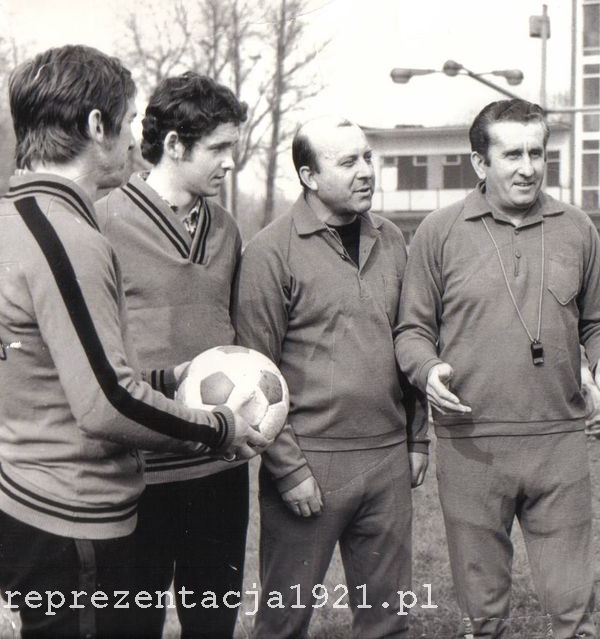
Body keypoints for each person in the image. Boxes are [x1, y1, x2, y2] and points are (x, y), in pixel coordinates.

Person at [0, 45, 265, 638]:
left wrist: (174, 377)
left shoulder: (9, 218)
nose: (129, 137)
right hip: (70, 516)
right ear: (96, 125)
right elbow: (105, 401)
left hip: (30, 501)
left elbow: (63, 368)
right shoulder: (72, 233)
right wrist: (217, 427)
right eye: (124, 120)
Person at [394, 98, 600, 639]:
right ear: (481, 163)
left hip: (558, 440)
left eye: (537, 152)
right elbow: (411, 330)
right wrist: (427, 369)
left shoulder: (577, 228)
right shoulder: (439, 232)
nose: (528, 166)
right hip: (471, 443)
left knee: (572, 607)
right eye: (512, 155)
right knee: (483, 611)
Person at [233, 116, 429, 639]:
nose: (366, 171)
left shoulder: (391, 239)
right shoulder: (270, 252)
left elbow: (410, 338)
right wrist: (288, 469)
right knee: (283, 621)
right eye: (348, 162)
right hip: (310, 465)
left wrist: (417, 438)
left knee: (388, 619)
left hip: (387, 459)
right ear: (308, 176)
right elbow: (254, 376)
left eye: (367, 157)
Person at [95, 71, 248, 638]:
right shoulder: (103, 222)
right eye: (219, 148)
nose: (230, 161)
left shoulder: (228, 229)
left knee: (214, 625)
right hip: (139, 472)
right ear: (175, 145)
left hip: (218, 465)